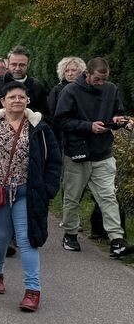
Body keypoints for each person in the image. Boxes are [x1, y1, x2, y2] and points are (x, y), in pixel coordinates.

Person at [0, 81, 62, 311]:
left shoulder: (39, 128)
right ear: (3, 101)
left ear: (27, 101)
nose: (17, 100)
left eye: (21, 97)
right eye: (12, 97)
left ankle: (32, 290)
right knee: (0, 236)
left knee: (26, 239)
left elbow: (54, 161)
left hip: (26, 192)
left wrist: (47, 190)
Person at [54, 57, 132, 257]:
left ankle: (116, 239)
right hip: (77, 152)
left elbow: (119, 112)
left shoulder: (111, 89)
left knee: (108, 196)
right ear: (87, 74)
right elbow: (61, 120)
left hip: (103, 152)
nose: (101, 83)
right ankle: (70, 233)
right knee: (72, 197)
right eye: (97, 79)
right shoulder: (70, 91)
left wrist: (119, 120)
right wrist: (88, 126)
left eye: (104, 79)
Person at [0, 47, 51, 122]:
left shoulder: (36, 87)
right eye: (14, 64)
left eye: (22, 65)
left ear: (28, 65)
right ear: (7, 64)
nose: (17, 68)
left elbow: (46, 115)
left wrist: (31, 115)